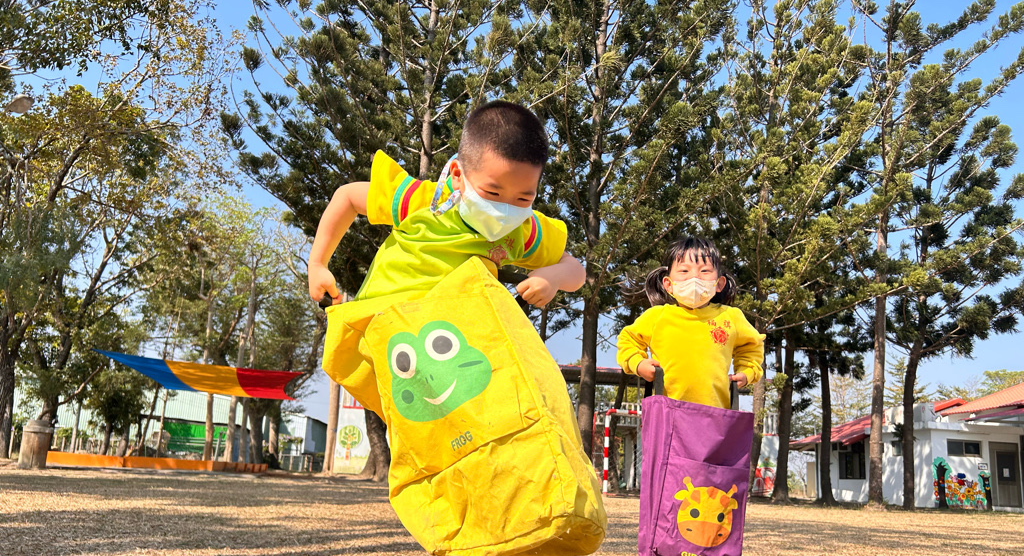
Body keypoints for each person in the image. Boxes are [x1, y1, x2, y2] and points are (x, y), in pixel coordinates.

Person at [307, 100, 585, 414]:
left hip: (448, 356)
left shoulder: (520, 230)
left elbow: (575, 270)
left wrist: (552, 278)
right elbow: (348, 196)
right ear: (457, 175)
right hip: (383, 333)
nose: (505, 209)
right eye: (492, 193)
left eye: (523, 198)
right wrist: (317, 263)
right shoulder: (422, 202)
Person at [617, 236, 764, 409]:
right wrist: (638, 363)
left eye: (705, 271)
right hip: (667, 414)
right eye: (684, 271)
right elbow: (627, 340)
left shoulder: (730, 317)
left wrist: (747, 372)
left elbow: (751, 346)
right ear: (668, 284)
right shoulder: (657, 316)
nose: (694, 277)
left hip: (716, 416)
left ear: (719, 283)